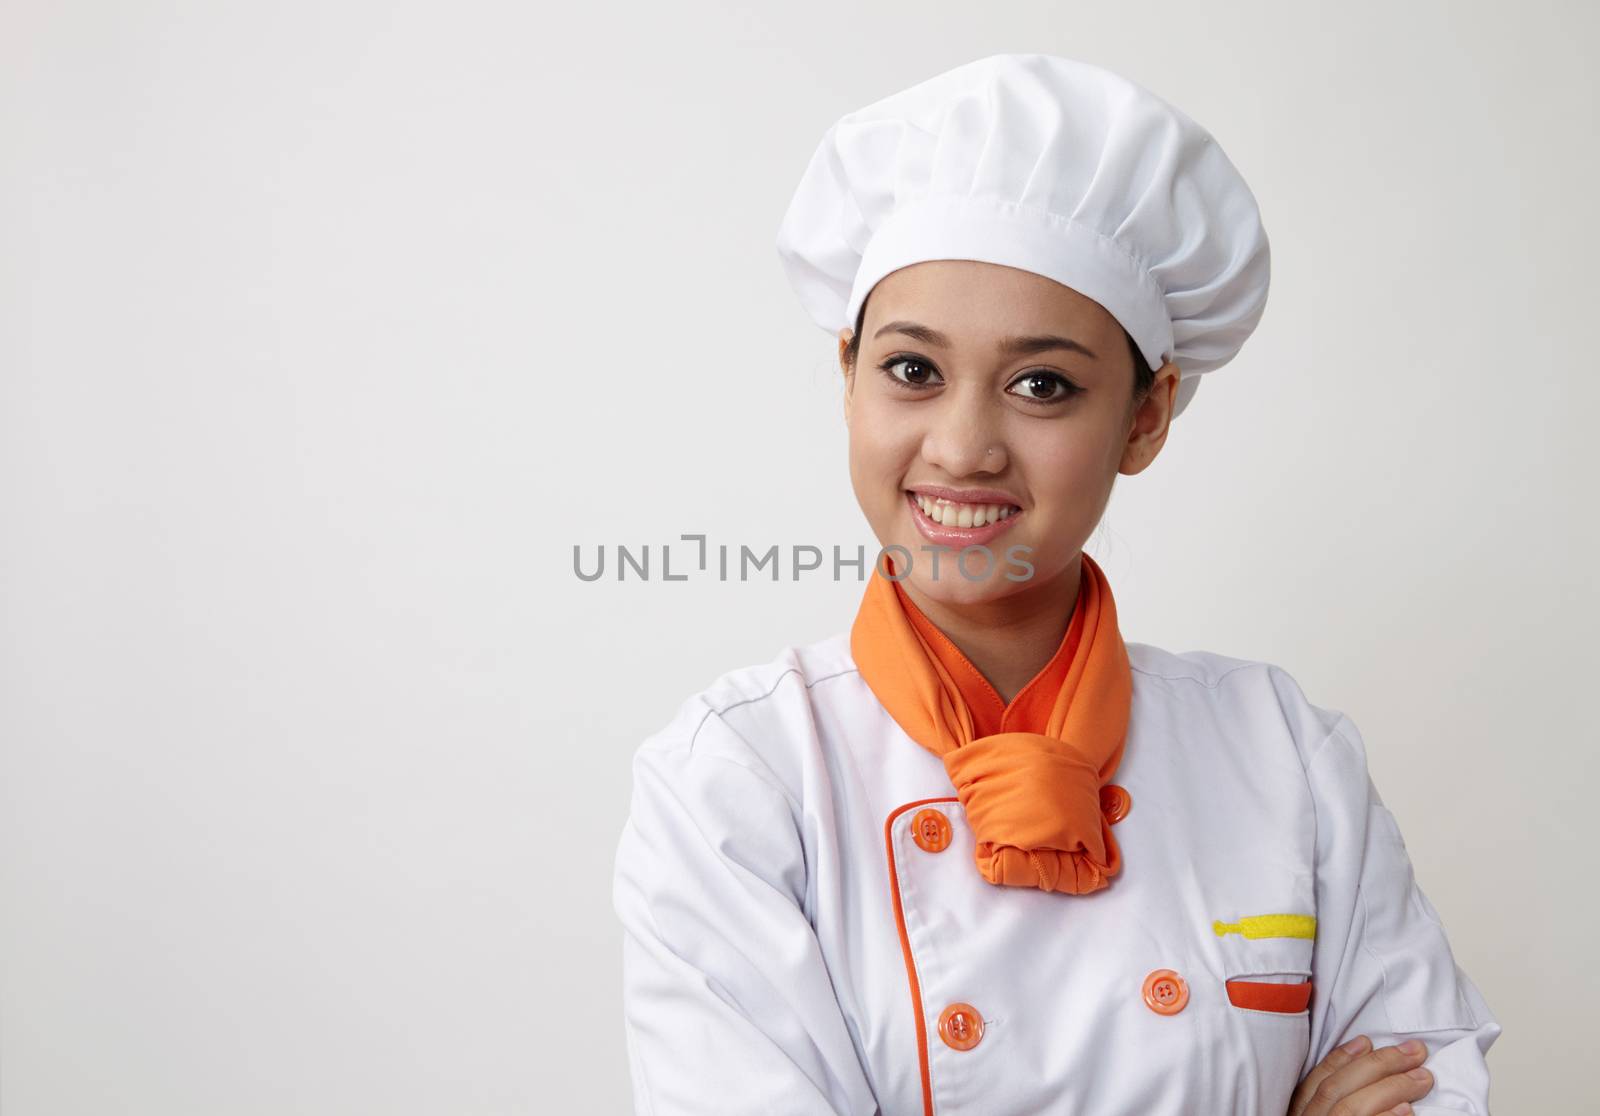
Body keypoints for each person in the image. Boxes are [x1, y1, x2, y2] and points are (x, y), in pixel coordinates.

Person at [612, 54, 1499, 1115]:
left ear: (1145, 417)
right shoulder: (738, 783)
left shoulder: (1284, 756)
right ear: (845, 375)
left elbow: (1431, 1089)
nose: (963, 446)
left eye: (1042, 385)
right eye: (911, 370)